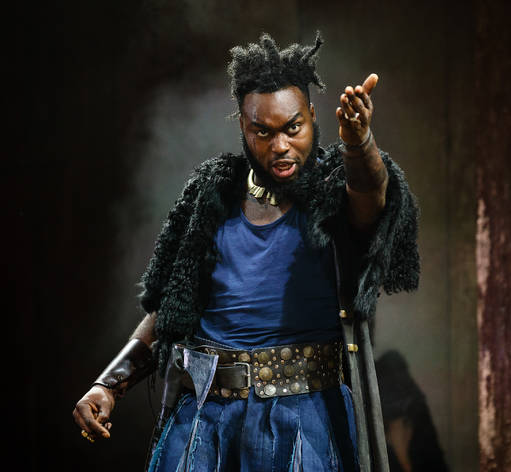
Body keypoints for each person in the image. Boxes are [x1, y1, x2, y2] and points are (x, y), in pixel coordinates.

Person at [73, 32, 419, 471]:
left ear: (312, 117)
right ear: (242, 125)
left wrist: (358, 143)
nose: (280, 146)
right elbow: (172, 307)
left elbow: (372, 195)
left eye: (293, 128)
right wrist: (109, 384)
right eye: (263, 132)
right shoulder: (211, 194)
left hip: (303, 422)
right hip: (204, 423)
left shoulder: (335, 191)